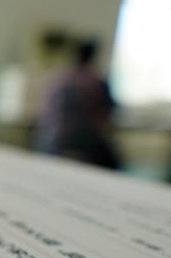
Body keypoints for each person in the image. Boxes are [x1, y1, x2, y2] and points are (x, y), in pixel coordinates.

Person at [35, 38, 121, 169]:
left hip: (50, 140)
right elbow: (109, 112)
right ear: (93, 56)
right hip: (83, 142)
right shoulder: (97, 81)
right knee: (114, 163)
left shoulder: (56, 78)